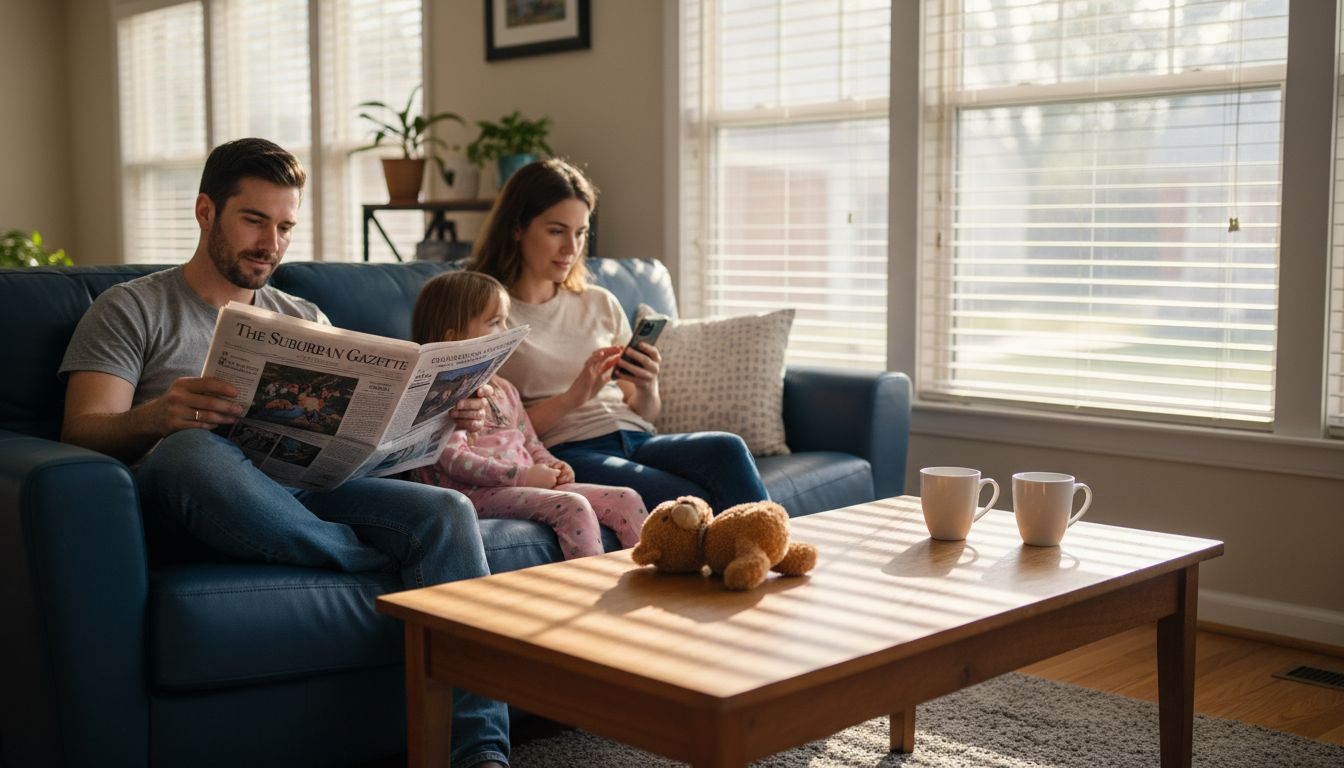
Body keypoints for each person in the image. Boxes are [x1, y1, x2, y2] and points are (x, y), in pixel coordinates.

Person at [58, 138, 510, 768]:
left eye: (285, 226)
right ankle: (366, 563)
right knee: (192, 450)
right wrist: (157, 417)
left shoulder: (303, 315)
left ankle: (480, 755)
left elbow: (364, 444)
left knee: (447, 513)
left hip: (304, 490)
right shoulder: (133, 308)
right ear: (205, 211)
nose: (271, 243)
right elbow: (81, 430)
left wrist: (444, 416)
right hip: (194, 496)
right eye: (254, 220)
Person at [467, 158, 769, 512]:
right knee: (687, 498)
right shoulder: (492, 317)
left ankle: (772, 553)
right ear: (517, 228)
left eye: (580, 233)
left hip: (637, 438)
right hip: (568, 450)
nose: (572, 248)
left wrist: (646, 386)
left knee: (727, 448)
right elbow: (493, 429)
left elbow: (645, 410)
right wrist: (574, 397)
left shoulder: (599, 301)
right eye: (556, 231)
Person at [407, 271, 649, 559]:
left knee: (626, 499)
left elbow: (530, 442)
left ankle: (644, 587)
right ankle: (589, 595)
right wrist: (522, 476)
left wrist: (553, 465)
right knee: (573, 506)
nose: (507, 330)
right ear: (454, 337)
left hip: (525, 481)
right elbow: (456, 462)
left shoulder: (505, 389)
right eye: (495, 322)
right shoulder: (440, 396)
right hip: (473, 492)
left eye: (506, 320)